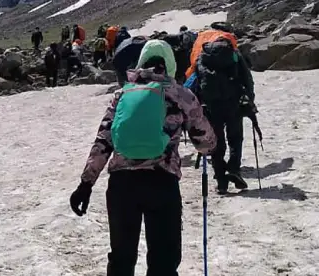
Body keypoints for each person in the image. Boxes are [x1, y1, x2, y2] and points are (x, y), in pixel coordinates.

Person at [69, 39, 217, 276]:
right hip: (161, 183)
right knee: (163, 261)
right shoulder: (180, 94)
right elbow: (206, 144)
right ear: (169, 63)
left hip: (121, 185)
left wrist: (85, 184)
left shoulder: (122, 94)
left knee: (121, 259)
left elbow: (103, 140)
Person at [190, 33, 255, 195]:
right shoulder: (234, 55)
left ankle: (221, 181)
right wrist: (249, 100)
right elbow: (246, 78)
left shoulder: (202, 56)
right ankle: (234, 169)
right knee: (235, 138)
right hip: (233, 103)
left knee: (217, 142)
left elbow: (195, 80)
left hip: (211, 105)